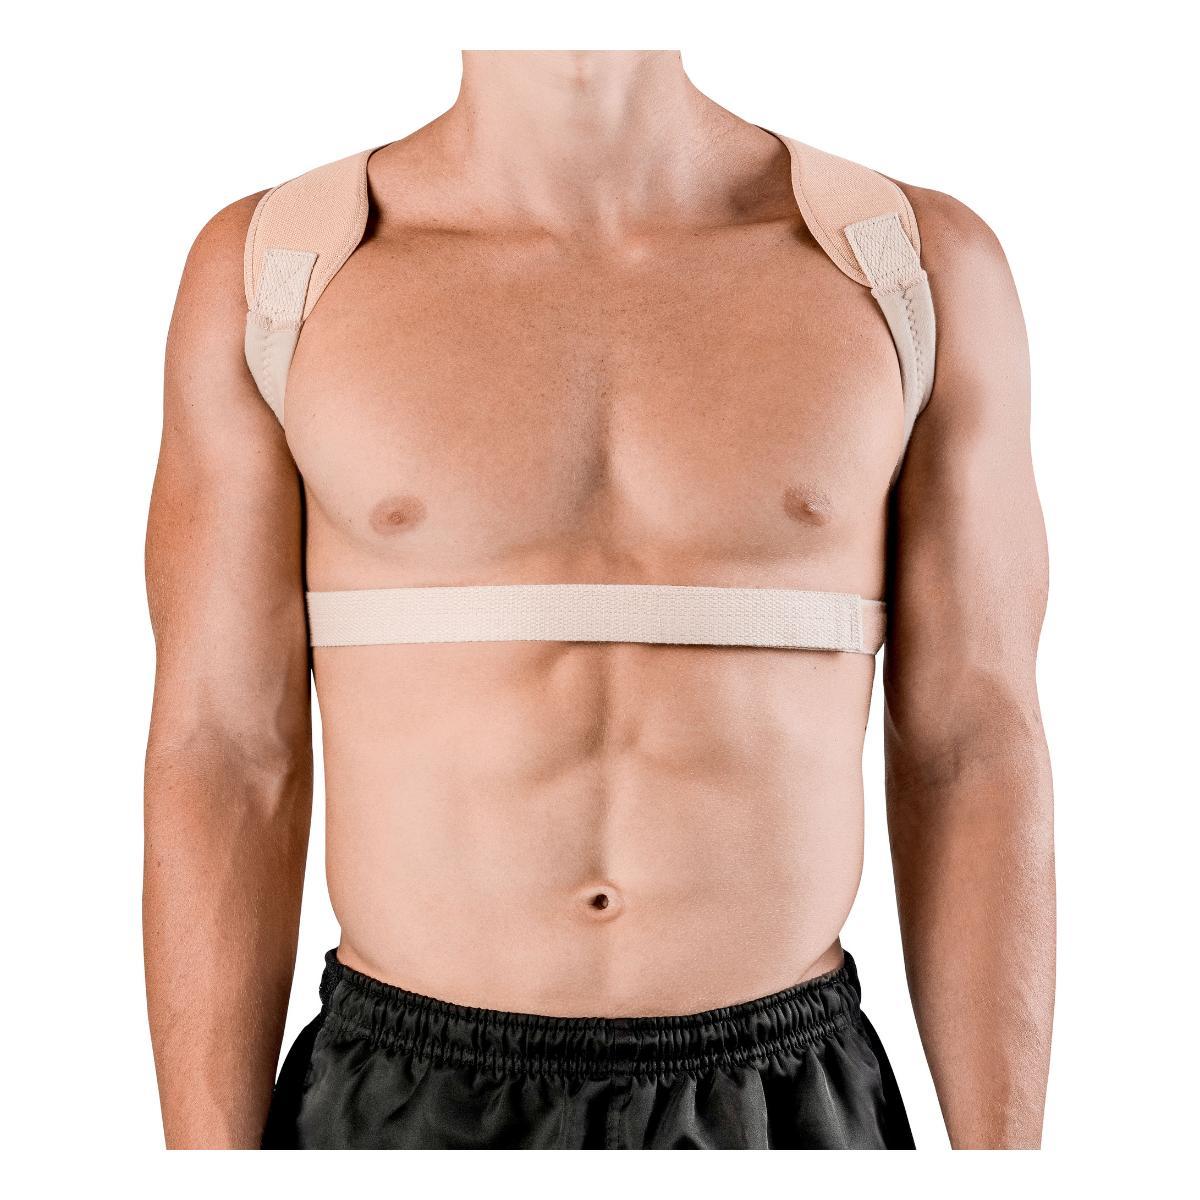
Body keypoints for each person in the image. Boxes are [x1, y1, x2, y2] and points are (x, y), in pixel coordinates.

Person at [144, 50, 1054, 1149]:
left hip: (780, 1096)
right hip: (401, 1095)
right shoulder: (277, 271)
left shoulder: (913, 268)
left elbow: (970, 745)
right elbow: (227, 751)